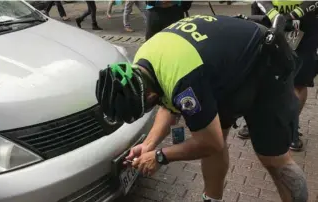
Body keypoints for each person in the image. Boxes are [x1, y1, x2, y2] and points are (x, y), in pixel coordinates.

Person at [95, 14, 307, 202]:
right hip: (222, 70)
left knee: (272, 158)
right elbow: (168, 105)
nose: (155, 105)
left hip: (265, 65)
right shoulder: (143, 62)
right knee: (213, 137)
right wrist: (148, 145)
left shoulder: (184, 82)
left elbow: (208, 142)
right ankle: (212, 199)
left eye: (148, 104)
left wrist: (161, 156)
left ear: (147, 93)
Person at [237, 1, 318, 151]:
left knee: (299, 82)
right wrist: (276, 16)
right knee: (260, 76)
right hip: (269, 22)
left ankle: (290, 129)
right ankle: (255, 123)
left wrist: (291, 15)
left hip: (303, 26)